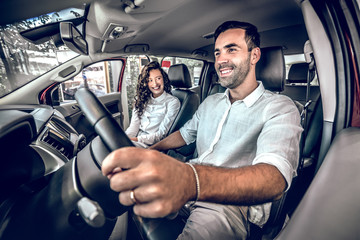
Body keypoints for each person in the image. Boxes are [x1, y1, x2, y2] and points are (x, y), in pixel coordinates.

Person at [102, 21, 302, 239]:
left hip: (230, 205)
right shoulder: (211, 102)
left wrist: (191, 181)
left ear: (254, 56)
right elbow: (185, 134)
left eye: (232, 49)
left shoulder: (280, 107)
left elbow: (274, 178)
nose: (221, 60)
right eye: (217, 53)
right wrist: (152, 150)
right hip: (189, 187)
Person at [125, 61, 180, 148]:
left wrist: (135, 140)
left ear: (164, 79)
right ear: (146, 83)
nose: (155, 84)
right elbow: (133, 127)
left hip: (151, 145)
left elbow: (160, 135)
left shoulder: (172, 102)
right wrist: (125, 138)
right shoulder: (142, 100)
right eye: (150, 80)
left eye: (158, 78)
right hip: (135, 141)